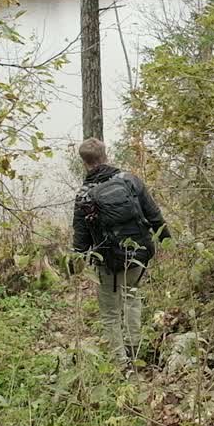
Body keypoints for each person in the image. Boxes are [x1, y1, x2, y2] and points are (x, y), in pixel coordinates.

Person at [72, 138, 170, 370]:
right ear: (105, 155)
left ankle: (121, 363)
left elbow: (81, 239)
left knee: (110, 313)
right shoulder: (130, 180)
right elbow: (154, 216)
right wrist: (166, 242)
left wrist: (79, 261)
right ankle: (135, 351)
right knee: (132, 299)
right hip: (138, 254)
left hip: (109, 263)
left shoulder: (84, 194)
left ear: (84, 163)